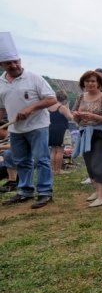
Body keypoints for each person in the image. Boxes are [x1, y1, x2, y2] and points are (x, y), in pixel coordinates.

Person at [0, 32, 57, 209]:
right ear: (2, 64)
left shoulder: (34, 78)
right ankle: (25, 190)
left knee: (41, 159)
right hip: (16, 129)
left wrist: (30, 108)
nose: (14, 65)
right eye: (9, 63)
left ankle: (45, 192)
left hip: (37, 126)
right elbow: (2, 107)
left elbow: (51, 99)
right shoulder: (1, 82)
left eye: (16, 61)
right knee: (21, 161)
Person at [72, 70, 102, 207]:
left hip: (100, 134)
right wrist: (77, 115)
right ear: (83, 83)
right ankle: (97, 191)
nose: (90, 83)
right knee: (89, 163)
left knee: (98, 163)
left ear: (98, 83)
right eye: (87, 81)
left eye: (93, 81)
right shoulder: (80, 97)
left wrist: (94, 116)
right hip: (85, 133)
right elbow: (75, 115)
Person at [48, 90, 73, 174]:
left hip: (51, 129)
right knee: (60, 150)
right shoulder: (62, 107)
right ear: (64, 98)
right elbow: (70, 118)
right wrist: (68, 108)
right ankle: (58, 170)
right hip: (61, 130)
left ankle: (53, 169)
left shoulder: (49, 107)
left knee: (53, 150)